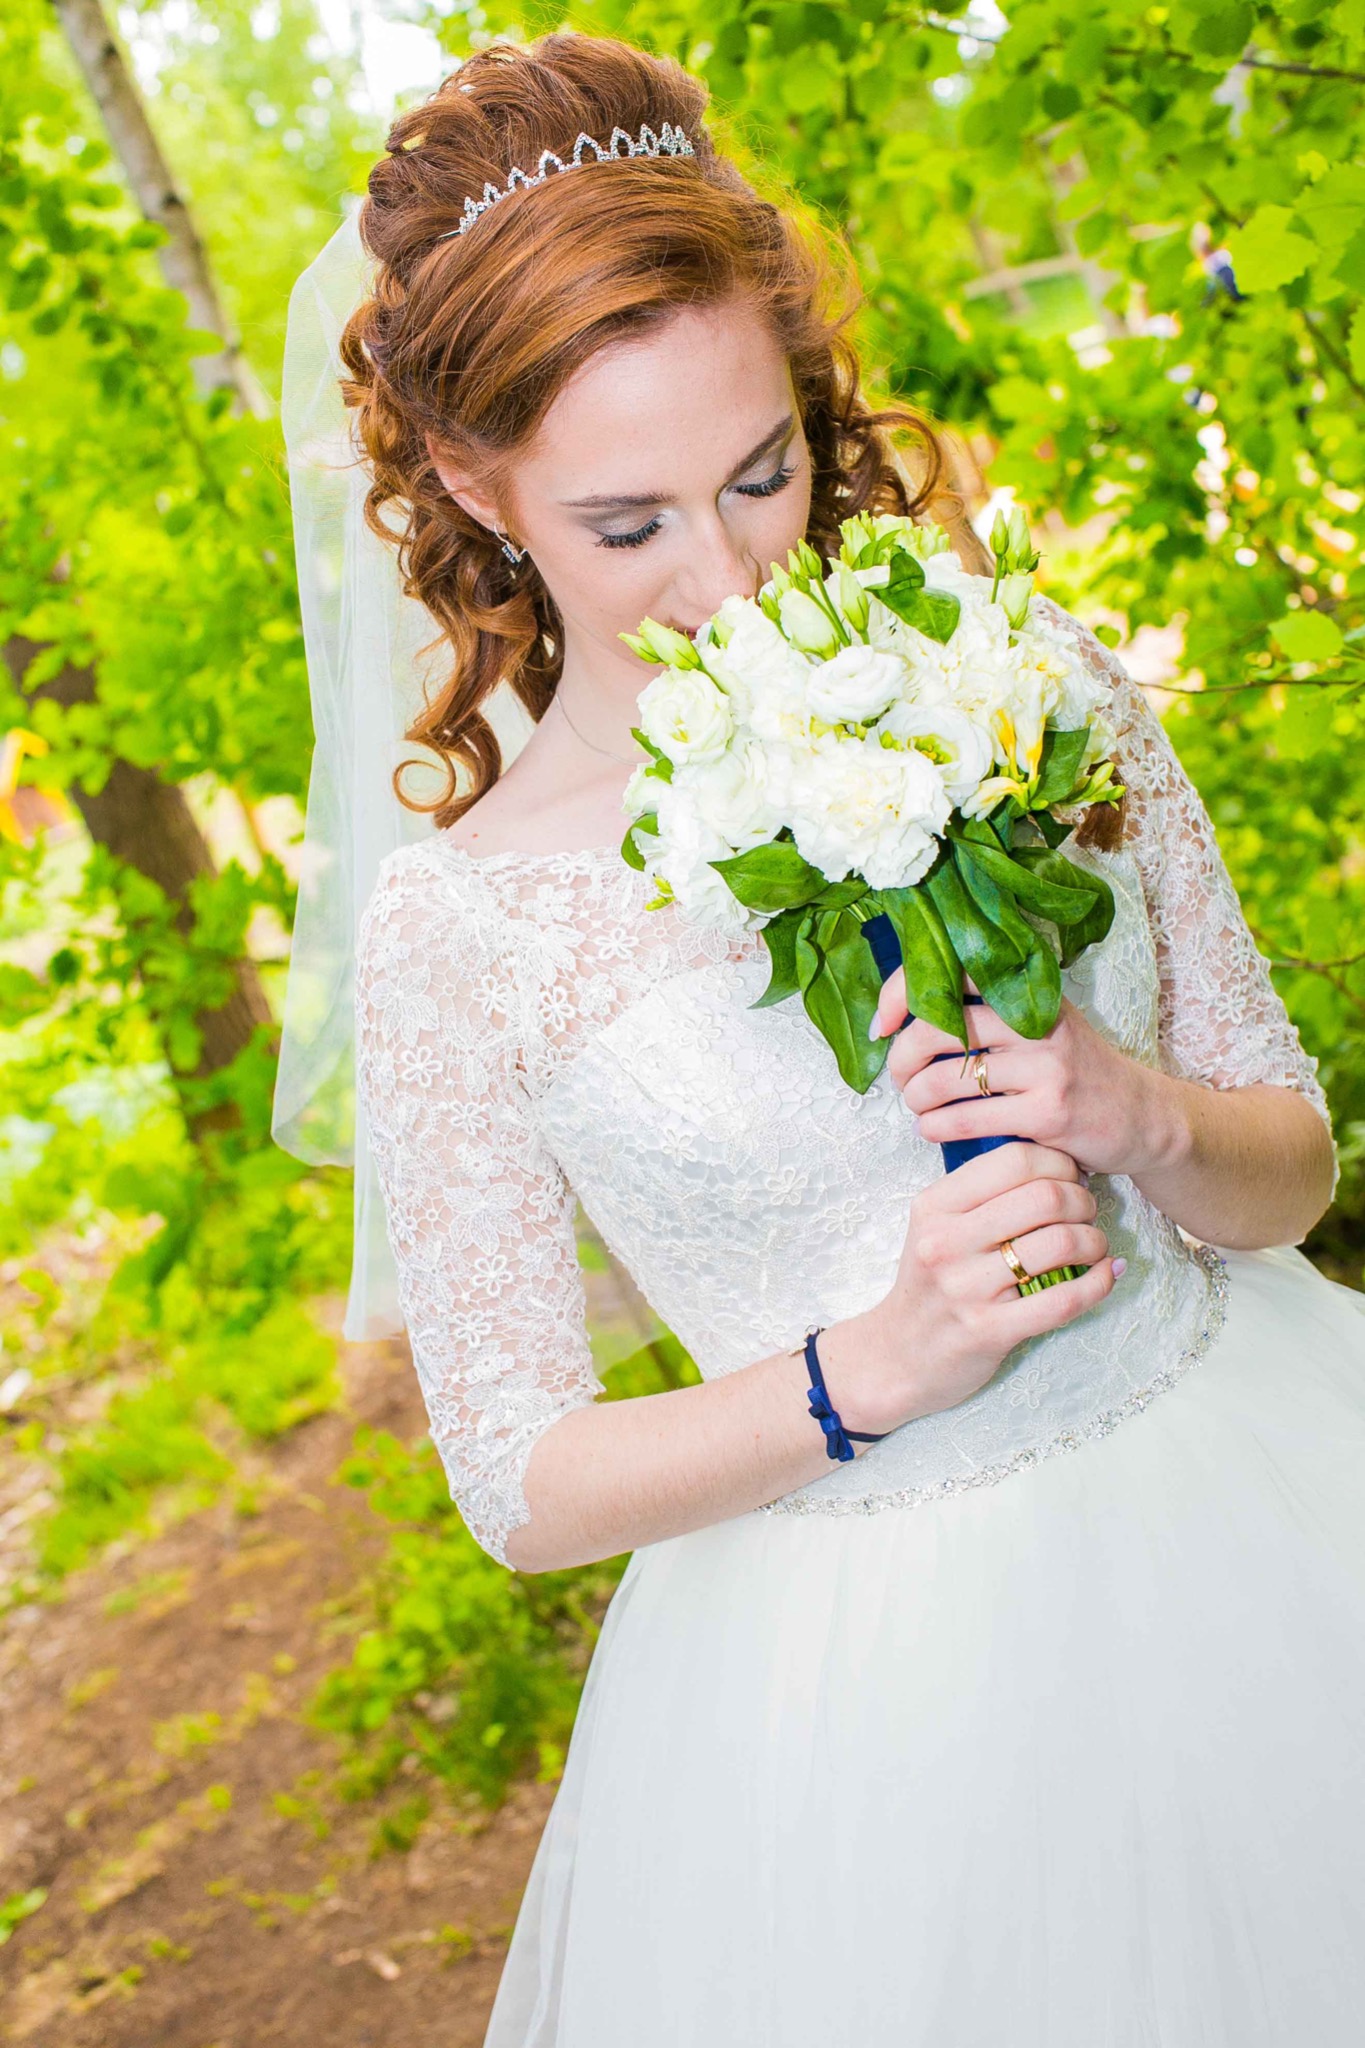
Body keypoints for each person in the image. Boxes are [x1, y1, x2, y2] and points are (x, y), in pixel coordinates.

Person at [276, 32, 1365, 2047]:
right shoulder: (468, 927)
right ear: (468, 484)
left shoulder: (1022, 684)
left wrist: (1136, 1117)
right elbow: (519, 1477)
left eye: (760, 470)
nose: (727, 574)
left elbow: (1291, 1165)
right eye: (628, 524)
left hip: (1274, 1498)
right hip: (871, 1699)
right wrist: (869, 1366)